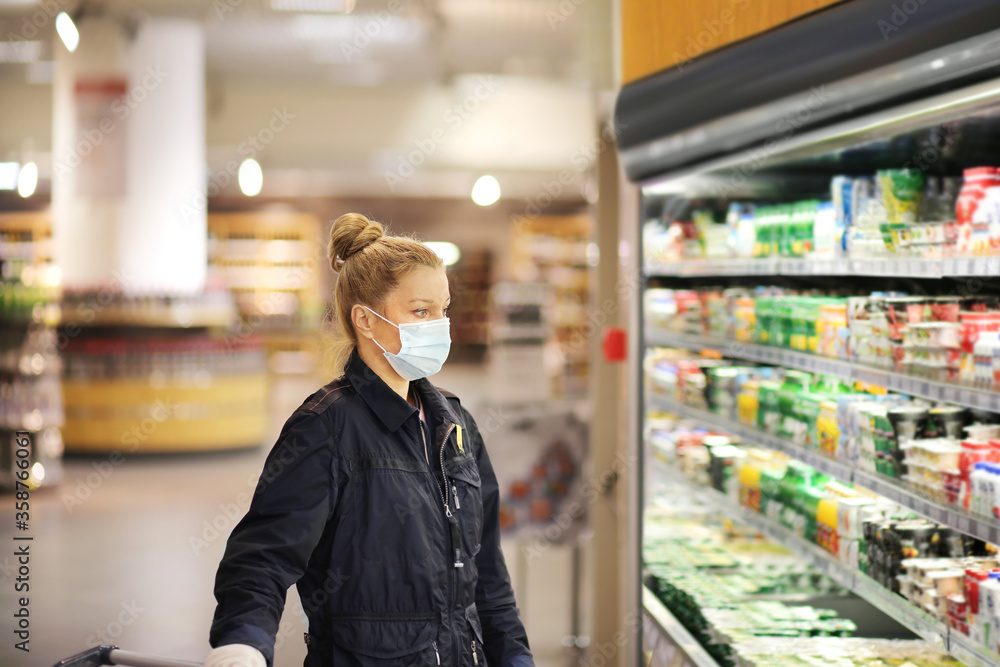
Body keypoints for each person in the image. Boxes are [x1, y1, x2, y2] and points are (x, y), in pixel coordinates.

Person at [204, 213, 534, 667]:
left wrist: (514, 656)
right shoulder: (325, 427)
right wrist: (242, 643)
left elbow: (488, 571)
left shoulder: (456, 426)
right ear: (365, 320)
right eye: (421, 311)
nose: (440, 325)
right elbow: (263, 558)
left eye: (444, 309)